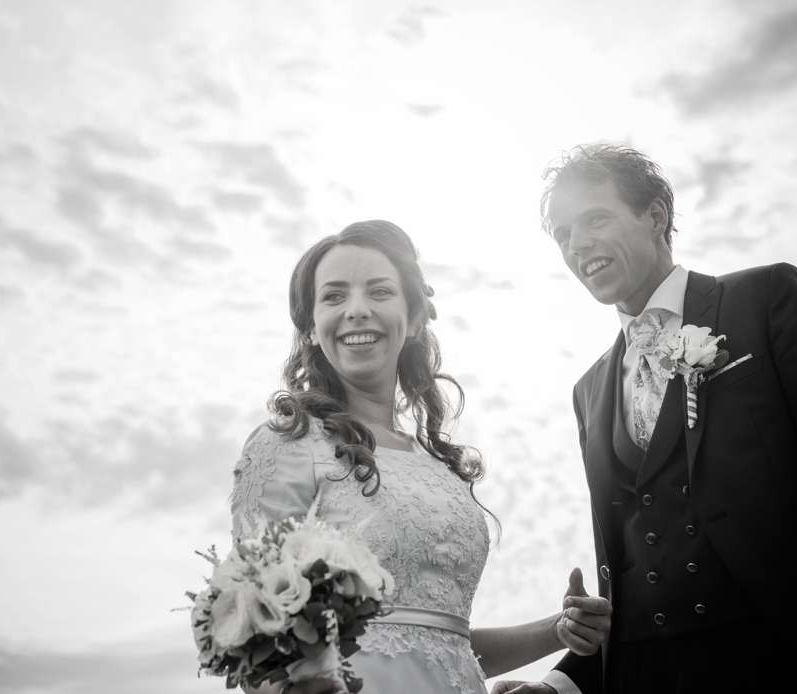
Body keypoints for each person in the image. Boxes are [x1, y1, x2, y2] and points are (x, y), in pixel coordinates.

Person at [494, 145, 797, 694]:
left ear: (655, 215)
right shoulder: (588, 391)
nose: (577, 244)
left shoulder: (767, 299)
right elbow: (633, 570)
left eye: (595, 220)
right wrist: (559, 686)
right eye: (563, 234)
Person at [224, 220, 612, 694]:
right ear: (309, 328)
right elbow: (257, 638)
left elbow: (443, 646)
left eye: (380, 291)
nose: (357, 310)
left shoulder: (437, 466)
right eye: (334, 296)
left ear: (412, 320)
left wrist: (556, 630)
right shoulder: (288, 444)